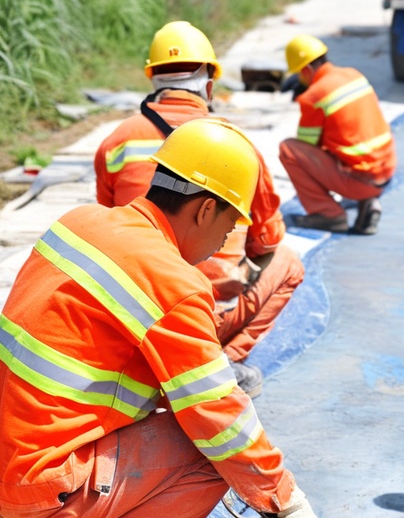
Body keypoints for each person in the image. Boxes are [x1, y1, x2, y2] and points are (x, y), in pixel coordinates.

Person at [0, 119, 329, 518]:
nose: (228, 237)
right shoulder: (172, 283)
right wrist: (287, 506)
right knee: (213, 453)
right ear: (205, 208)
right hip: (39, 487)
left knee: (147, 407)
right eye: (230, 223)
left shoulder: (80, 223)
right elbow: (221, 422)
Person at [94, 20, 304, 398]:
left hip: (132, 317)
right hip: (200, 315)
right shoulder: (234, 145)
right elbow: (267, 239)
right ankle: (222, 361)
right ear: (209, 85)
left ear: (152, 78)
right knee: (287, 261)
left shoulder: (116, 141)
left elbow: (110, 225)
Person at [278, 34, 397, 236]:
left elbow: (307, 147)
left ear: (306, 70)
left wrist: (307, 101)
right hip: (386, 173)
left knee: (288, 149)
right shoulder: (353, 74)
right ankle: (369, 203)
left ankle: (328, 214)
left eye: (299, 73)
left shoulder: (313, 96)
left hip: (359, 181)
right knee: (345, 145)